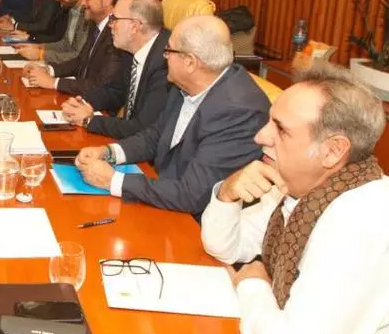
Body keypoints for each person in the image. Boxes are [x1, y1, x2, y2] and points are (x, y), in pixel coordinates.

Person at [201, 65, 389, 334]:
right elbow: (225, 246)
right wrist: (227, 194)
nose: (260, 136)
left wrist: (253, 283)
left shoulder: (364, 222)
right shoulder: (300, 187)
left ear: (332, 151)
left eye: (281, 129)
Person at [74, 15, 270, 217]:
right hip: (164, 197)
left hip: (193, 222)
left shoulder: (239, 111)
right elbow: (155, 135)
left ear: (190, 62)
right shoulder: (186, 84)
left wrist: (112, 180)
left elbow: (193, 194)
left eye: (168, 50)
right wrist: (108, 152)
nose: (164, 56)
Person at [62, 0, 171, 139]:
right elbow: (116, 90)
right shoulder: (130, 50)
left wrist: (89, 120)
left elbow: (143, 128)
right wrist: (83, 102)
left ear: (134, 26)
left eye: (114, 19)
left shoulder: (166, 62)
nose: (110, 25)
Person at [22, 0, 128, 98]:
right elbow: (80, 62)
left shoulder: (116, 33)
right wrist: (49, 70)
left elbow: (101, 84)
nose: (83, 3)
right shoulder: (95, 25)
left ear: (107, 0)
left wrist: (53, 82)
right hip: (81, 97)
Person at [15, 0, 91, 64]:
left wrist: (41, 54)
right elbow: (65, 44)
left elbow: (78, 56)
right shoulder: (72, 9)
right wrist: (38, 47)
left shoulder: (88, 14)